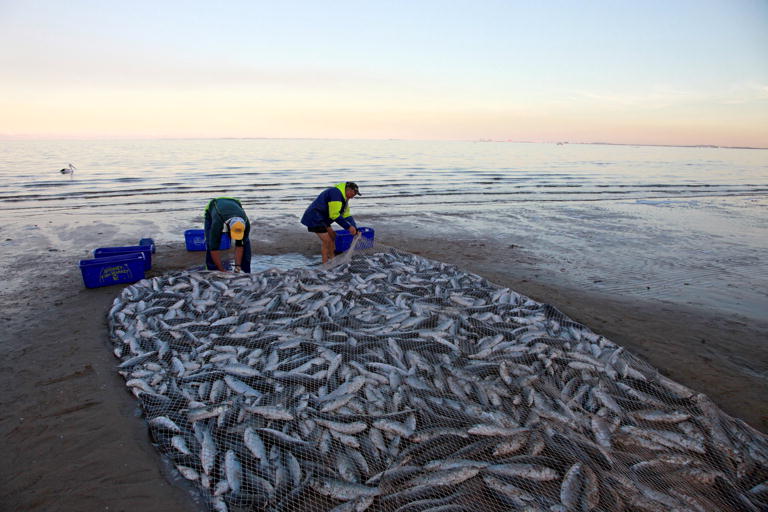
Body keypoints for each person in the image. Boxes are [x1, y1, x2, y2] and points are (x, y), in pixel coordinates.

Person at [301, 182, 360, 263]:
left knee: (333, 236)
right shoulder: (336, 194)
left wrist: (355, 228)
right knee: (327, 241)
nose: (354, 196)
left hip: (323, 218)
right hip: (314, 218)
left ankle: (332, 258)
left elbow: (347, 215)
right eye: (354, 193)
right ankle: (325, 265)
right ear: (349, 190)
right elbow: (334, 215)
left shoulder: (344, 198)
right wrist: (348, 227)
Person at [204, 197, 251, 273]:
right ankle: (212, 270)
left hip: (235, 203)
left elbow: (240, 245)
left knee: (245, 243)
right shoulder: (218, 223)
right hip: (214, 206)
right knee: (211, 243)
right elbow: (214, 250)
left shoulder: (246, 223)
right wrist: (222, 270)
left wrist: (237, 266)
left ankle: (244, 271)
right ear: (228, 226)